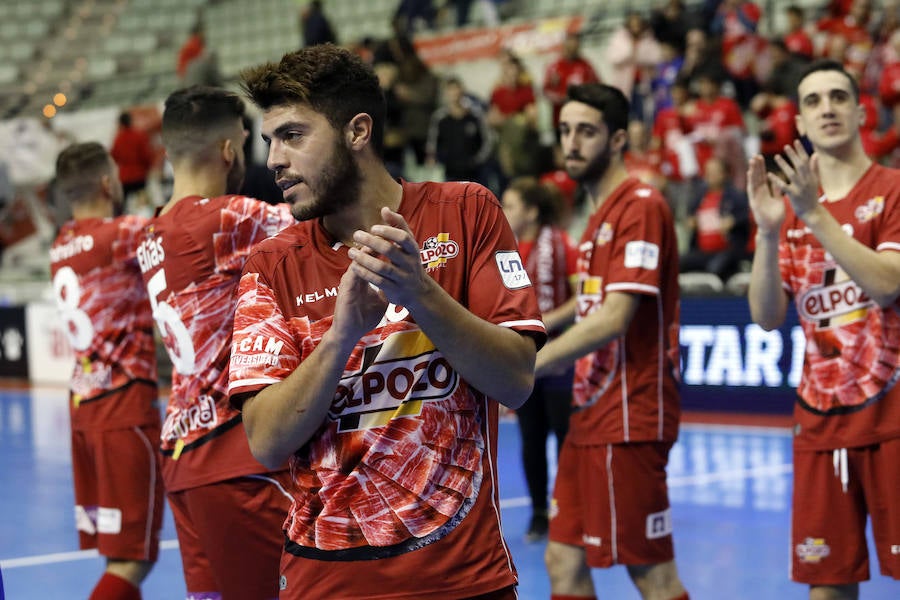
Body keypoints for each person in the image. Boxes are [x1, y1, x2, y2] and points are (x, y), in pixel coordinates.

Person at [229, 44, 546, 599]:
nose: (275, 159)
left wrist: (419, 292)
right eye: (269, 141)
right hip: (325, 582)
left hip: (462, 582)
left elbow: (516, 382)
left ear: (357, 131)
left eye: (294, 136)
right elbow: (266, 442)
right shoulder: (271, 265)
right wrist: (341, 336)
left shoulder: (467, 211)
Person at [746, 59, 900, 600]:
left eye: (838, 96)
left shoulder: (893, 190)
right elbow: (766, 317)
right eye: (813, 101)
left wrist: (815, 217)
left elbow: (886, 285)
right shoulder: (788, 214)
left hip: (894, 420)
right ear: (802, 124)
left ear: (862, 112)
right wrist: (768, 235)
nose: (826, 107)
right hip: (819, 425)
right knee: (827, 586)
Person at [138, 86, 296, 599]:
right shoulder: (227, 218)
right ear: (231, 151)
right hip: (235, 458)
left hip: (182, 455)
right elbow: (329, 224)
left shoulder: (151, 231)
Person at [534, 83, 689, 600]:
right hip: (589, 414)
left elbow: (615, 317)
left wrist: (527, 363)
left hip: (629, 414)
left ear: (618, 139)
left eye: (586, 132)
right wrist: (526, 329)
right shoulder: (597, 217)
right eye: (565, 132)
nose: (572, 143)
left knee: (652, 574)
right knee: (564, 561)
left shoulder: (639, 205)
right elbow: (590, 305)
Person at [49, 142, 163, 600]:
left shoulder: (60, 244)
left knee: (118, 551)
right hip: (124, 409)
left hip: (84, 408)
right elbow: (177, 231)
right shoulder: (120, 234)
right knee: (134, 558)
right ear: (106, 182)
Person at [501, 176, 576, 543]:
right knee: (530, 439)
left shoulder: (562, 245)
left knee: (566, 439)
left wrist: (544, 323)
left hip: (561, 359)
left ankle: (570, 510)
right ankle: (539, 513)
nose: (504, 212)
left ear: (531, 212)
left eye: (511, 205)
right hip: (524, 359)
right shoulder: (503, 248)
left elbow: (582, 300)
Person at [543, 31, 600, 131]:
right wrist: (561, 98)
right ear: (565, 43)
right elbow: (546, 91)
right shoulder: (554, 66)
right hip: (560, 117)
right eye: (571, 41)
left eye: (576, 41)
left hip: (582, 118)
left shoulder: (586, 66)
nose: (574, 45)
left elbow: (598, 87)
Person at [110, 112, 156, 205]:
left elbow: (114, 156)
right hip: (140, 175)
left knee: (125, 205)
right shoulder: (139, 135)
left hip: (125, 177)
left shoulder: (118, 138)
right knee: (143, 204)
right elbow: (146, 155)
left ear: (120, 123)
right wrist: (147, 168)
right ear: (130, 121)